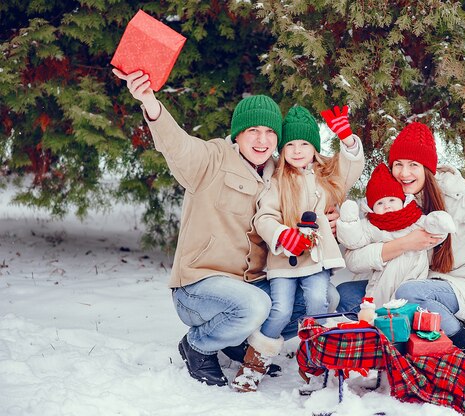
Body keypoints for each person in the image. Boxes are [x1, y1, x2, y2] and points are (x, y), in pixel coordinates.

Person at [112, 69, 339, 387]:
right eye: (253, 131)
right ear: (238, 134)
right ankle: (198, 346)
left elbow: (313, 202)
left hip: (251, 284)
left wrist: (330, 220)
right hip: (199, 287)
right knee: (256, 305)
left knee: (323, 296)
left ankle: (238, 343)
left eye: (270, 133)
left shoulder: (280, 175)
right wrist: (149, 101)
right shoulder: (211, 159)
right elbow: (176, 145)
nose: (262, 140)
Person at [336, 122, 465, 362]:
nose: (404, 173)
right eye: (398, 165)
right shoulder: (388, 202)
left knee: (408, 293)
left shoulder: (456, 196)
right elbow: (353, 257)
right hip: (414, 284)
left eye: (413, 165)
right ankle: (391, 350)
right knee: (346, 295)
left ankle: (464, 343)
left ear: (427, 168)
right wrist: (405, 244)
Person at [231, 105, 365, 392]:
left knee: (318, 302)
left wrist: (348, 140)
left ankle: (316, 362)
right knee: (280, 310)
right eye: (290, 144)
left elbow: (352, 166)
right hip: (284, 260)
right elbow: (264, 217)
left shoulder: (327, 177)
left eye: (304, 143)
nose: (297, 150)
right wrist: (282, 235)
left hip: (316, 259)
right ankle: (253, 366)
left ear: (314, 147)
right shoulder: (277, 180)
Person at [336, 163, 456, 305]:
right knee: (378, 313)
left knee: (409, 307)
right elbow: (354, 241)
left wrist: (439, 223)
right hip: (381, 287)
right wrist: (348, 224)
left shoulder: (415, 219)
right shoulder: (372, 225)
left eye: (392, 200)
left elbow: (435, 233)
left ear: (402, 200)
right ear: (371, 207)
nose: (387, 206)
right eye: (380, 203)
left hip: (413, 282)